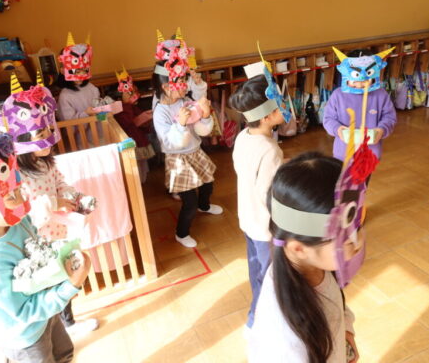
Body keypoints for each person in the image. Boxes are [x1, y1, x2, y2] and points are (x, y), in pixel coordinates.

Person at [0, 142, 90, 363]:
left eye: (20, 191)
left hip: (46, 312)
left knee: (64, 354)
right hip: (25, 337)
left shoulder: (17, 222)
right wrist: (71, 286)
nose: (23, 202)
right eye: (11, 197)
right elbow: (23, 312)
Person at [0, 73, 99, 336]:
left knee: (65, 276)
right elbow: (27, 209)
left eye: (49, 130)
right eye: (41, 134)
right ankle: (64, 327)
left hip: (58, 231)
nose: (49, 138)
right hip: (39, 238)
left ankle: (67, 324)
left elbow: (59, 182)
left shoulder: (44, 162)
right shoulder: (17, 174)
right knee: (54, 283)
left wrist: (73, 197)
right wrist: (55, 202)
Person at [248, 152, 359, 363]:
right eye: (344, 239)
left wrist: (346, 331)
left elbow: (336, 305)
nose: (355, 245)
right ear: (299, 248)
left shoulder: (315, 265)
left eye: (356, 228)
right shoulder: (284, 339)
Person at [229, 75, 285, 328]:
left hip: (248, 218)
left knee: (257, 273)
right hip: (265, 227)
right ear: (267, 117)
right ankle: (257, 322)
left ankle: (257, 317)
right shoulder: (270, 149)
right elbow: (269, 195)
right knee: (270, 279)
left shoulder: (243, 136)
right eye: (279, 104)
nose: (285, 107)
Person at [152, 60, 222, 248]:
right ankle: (181, 234)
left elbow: (201, 129)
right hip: (178, 159)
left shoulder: (184, 101)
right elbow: (169, 142)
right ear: (166, 87)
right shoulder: (160, 112)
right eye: (182, 82)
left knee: (208, 183)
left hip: (195, 152)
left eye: (185, 80)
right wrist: (181, 124)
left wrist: (205, 115)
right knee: (189, 202)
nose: (186, 85)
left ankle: (204, 206)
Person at [323, 48, 396, 164]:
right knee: (342, 176)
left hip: (370, 153)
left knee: (365, 176)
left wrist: (381, 130)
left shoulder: (381, 95)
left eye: (366, 79)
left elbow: (389, 117)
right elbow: (328, 119)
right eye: (355, 80)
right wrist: (338, 129)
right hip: (343, 154)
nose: (360, 84)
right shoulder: (338, 95)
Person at [113, 66, 156, 183]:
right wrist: (127, 105)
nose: (132, 95)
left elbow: (140, 120)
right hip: (131, 140)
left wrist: (146, 122)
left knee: (142, 164)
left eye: (133, 92)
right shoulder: (120, 108)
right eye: (128, 93)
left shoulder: (134, 107)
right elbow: (126, 123)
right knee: (134, 165)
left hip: (139, 138)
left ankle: (142, 181)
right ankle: (137, 183)